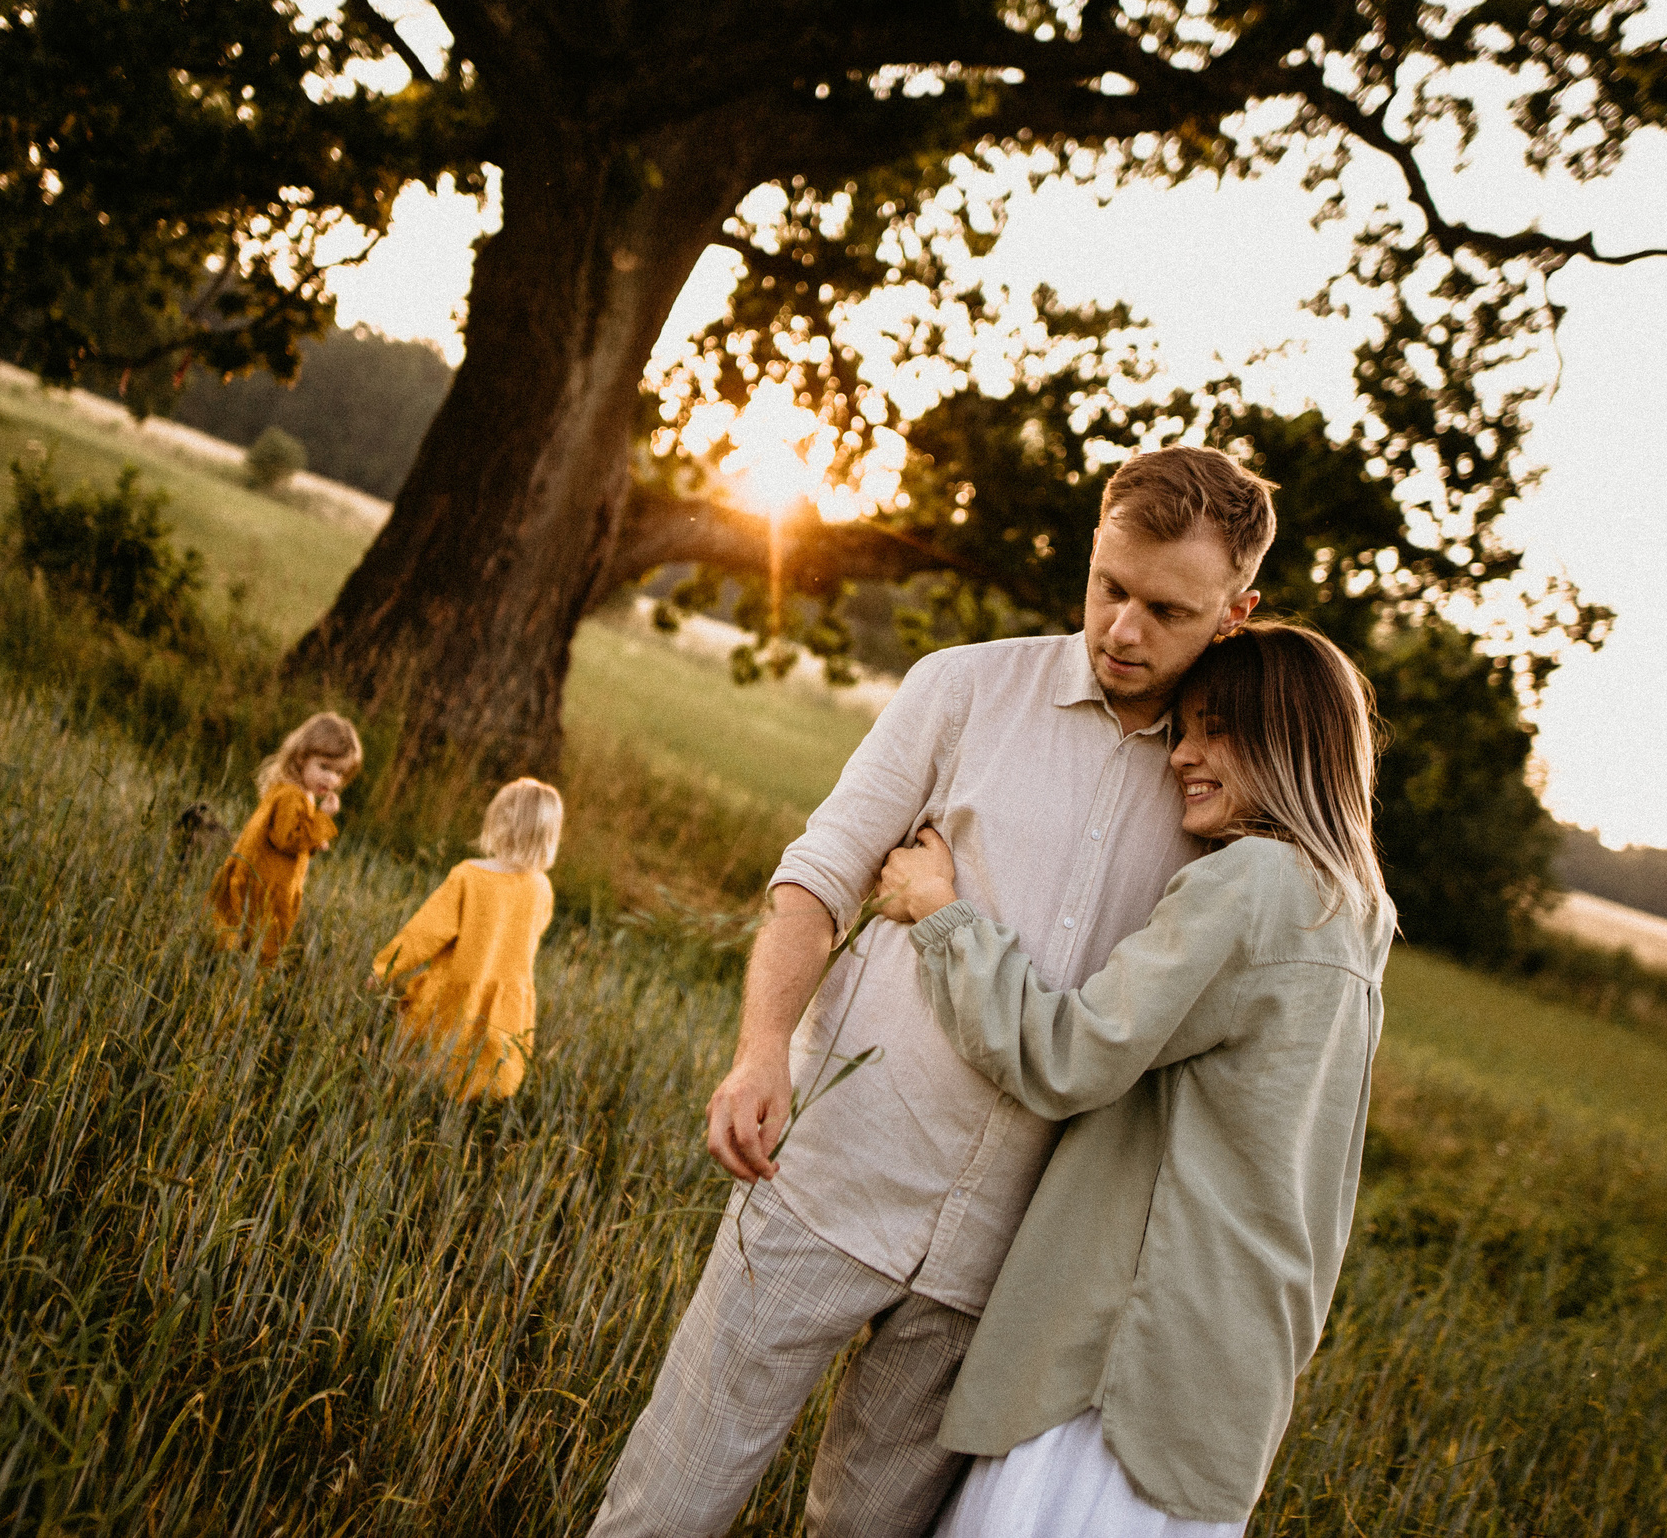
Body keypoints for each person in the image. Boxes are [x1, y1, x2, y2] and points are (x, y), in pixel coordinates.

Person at [589, 447, 1278, 1538]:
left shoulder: (1221, 787)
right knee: (664, 1509)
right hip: (829, 1176)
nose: (1122, 631)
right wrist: (761, 1051)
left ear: (1236, 613)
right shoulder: (960, 688)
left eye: (1166, 609)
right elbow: (816, 879)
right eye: (1108, 588)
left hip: (1002, 1266)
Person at [876, 621, 1395, 1535]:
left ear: (1288, 742)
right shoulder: (1353, 915)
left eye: (1215, 728)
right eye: (1184, 728)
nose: (1181, 755)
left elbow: (1069, 1056)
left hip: (1120, 1361)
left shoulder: (1252, 885)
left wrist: (943, 915)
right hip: (1223, 1366)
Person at [371, 776, 563, 1100]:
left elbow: (425, 932)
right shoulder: (541, 887)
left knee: (428, 1064)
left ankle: (411, 1105)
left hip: (456, 992)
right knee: (484, 1067)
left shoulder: (469, 876)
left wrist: (383, 968)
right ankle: (467, 1113)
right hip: (508, 997)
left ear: (499, 822)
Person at [211, 711, 361, 965]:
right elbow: (286, 839)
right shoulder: (292, 795)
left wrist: (314, 839)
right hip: (263, 887)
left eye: (339, 773)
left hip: (266, 881)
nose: (331, 778)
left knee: (244, 945)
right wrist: (322, 819)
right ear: (302, 757)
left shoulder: (299, 792)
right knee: (253, 949)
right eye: (324, 767)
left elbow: (294, 838)